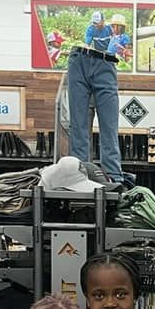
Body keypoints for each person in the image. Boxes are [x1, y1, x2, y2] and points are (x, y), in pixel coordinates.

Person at [68, 11, 123, 184]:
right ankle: (79, 176)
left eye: (98, 23)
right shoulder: (90, 30)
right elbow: (87, 42)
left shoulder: (108, 29)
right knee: (78, 125)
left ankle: (113, 178)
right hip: (79, 61)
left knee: (109, 126)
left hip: (106, 63)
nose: (96, 25)